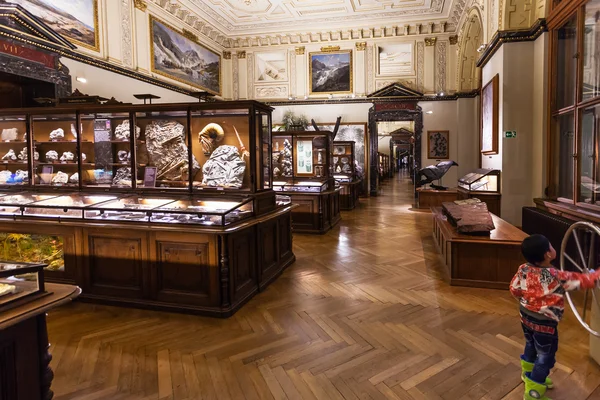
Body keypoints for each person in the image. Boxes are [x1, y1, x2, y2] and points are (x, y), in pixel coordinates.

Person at [510, 234, 600, 400]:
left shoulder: (523, 269)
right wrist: (596, 274)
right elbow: (584, 281)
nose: (553, 247)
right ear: (548, 255)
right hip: (545, 325)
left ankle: (527, 373)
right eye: (551, 245)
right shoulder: (556, 276)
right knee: (545, 357)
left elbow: (514, 289)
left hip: (525, 318)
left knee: (530, 344)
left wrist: (528, 302)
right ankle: (533, 392)